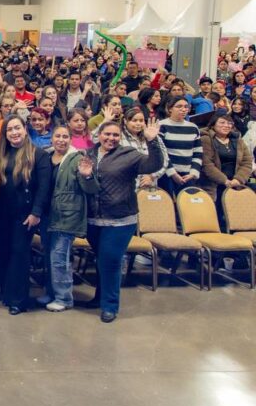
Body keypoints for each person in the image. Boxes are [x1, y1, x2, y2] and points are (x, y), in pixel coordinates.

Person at [85, 119, 163, 322]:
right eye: (107, 134)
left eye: (115, 135)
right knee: (101, 259)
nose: (111, 138)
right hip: (94, 220)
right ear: (99, 135)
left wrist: (152, 141)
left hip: (120, 220)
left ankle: (110, 305)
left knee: (110, 261)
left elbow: (154, 164)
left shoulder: (129, 155)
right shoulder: (90, 154)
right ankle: (100, 297)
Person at [0, 115, 52, 314]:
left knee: (19, 253)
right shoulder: (1, 153)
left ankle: (19, 300)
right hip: (2, 214)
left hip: (25, 215)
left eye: (17, 128)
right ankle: (7, 294)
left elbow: (44, 187)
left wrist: (36, 212)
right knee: (5, 252)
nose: (14, 132)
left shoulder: (39, 155)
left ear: (25, 129)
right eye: (9, 129)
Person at [42, 126, 98, 312]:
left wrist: (87, 176)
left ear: (70, 139)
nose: (61, 140)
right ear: (52, 138)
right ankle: (51, 292)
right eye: (57, 136)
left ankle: (64, 298)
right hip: (48, 215)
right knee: (50, 257)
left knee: (59, 258)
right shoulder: (47, 157)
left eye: (65, 136)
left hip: (67, 216)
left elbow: (91, 189)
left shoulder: (77, 159)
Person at [200, 111, 254, 229]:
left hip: (235, 184)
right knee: (217, 219)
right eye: (222, 122)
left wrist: (238, 179)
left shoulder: (238, 140)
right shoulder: (206, 139)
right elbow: (207, 164)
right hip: (214, 184)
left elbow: (247, 162)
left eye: (229, 123)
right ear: (213, 124)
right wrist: (225, 180)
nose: (226, 125)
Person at [158, 95, 203, 196]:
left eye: (186, 107)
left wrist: (193, 173)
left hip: (188, 175)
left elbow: (198, 152)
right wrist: (172, 173)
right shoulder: (161, 125)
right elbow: (161, 152)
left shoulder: (193, 127)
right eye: (179, 106)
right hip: (166, 175)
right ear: (170, 108)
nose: (183, 109)